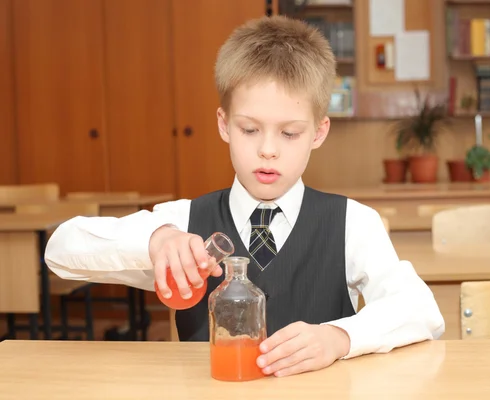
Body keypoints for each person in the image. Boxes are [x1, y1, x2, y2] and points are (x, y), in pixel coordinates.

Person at [45, 15, 444, 378]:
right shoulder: (184, 221)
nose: (268, 150)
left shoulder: (353, 222)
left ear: (319, 132)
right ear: (224, 125)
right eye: (250, 130)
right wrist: (154, 241)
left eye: (289, 133)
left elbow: (420, 310)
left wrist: (340, 337)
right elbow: (60, 250)